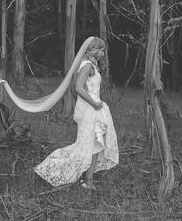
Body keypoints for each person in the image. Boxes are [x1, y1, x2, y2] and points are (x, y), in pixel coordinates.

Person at [34, 37, 119, 190]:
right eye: (101, 50)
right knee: (84, 146)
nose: (103, 53)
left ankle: (88, 181)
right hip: (91, 110)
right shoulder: (87, 66)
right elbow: (78, 88)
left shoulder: (92, 65)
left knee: (95, 146)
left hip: (94, 109)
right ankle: (52, 168)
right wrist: (94, 103)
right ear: (93, 50)